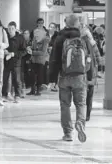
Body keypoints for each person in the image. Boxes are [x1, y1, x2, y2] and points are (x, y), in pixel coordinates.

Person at [50, 14, 88, 142]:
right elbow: (90, 57)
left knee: (65, 105)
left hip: (64, 76)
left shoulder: (60, 37)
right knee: (81, 103)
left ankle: (68, 133)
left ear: (66, 23)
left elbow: (54, 59)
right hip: (80, 76)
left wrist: (52, 79)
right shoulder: (82, 36)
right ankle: (80, 123)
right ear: (77, 23)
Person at [2, 21, 26, 103]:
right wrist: (4, 51)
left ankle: (17, 95)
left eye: (12, 28)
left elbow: (24, 51)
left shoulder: (20, 38)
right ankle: (4, 95)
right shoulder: (5, 37)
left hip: (16, 62)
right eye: (9, 28)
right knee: (5, 78)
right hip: (6, 61)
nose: (10, 30)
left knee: (17, 79)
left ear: (15, 29)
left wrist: (14, 54)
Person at [27, 28, 50, 96]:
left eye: (37, 34)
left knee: (39, 75)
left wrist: (32, 52)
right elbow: (33, 47)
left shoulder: (45, 40)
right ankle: (32, 90)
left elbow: (43, 52)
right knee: (32, 75)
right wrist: (29, 47)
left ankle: (38, 90)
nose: (36, 35)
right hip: (33, 59)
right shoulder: (34, 39)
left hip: (40, 60)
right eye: (35, 33)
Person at [48, 22, 59, 92]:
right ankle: (49, 82)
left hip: (54, 54)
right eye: (50, 26)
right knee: (48, 69)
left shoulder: (57, 35)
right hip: (46, 54)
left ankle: (54, 83)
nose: (51, 28)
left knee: (54, 69)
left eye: (53, 27)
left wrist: (53, 48)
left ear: (55, 28)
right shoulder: (46, 35)